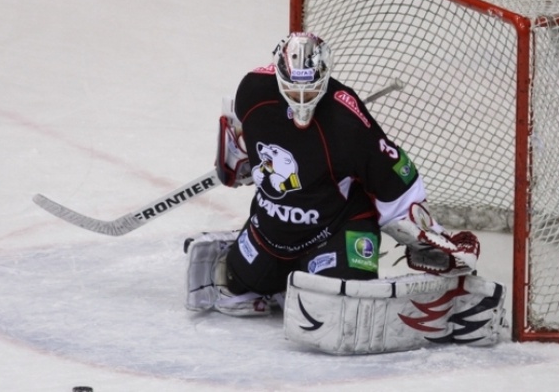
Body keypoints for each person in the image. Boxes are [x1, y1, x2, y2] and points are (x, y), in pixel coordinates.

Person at [185, 32, 481, 317]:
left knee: (340, 304)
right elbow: (238, 129)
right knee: (237, 284)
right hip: (275, 228)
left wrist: (428, 233)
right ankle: (283, 276)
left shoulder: (345, 119)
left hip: (335, 229)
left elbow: (392, 177)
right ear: (279, 75)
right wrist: (238, 159)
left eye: (311, 89)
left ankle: (313, 275)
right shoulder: (254, 90)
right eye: (294, 89)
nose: (302, 98)